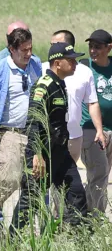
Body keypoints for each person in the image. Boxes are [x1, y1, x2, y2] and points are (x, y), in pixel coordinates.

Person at [10, 43, 87, 235]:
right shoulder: (44, 85)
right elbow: (33, 121)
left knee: (77, 192)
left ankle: (81, 238)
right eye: (71, 60)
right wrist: (36, 153)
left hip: (60, 153)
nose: (75, 63)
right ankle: (13, 240)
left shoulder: (60, 84)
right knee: (31, 200)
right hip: (42, 154)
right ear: (57, 63)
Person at [0, 28, 42, 226]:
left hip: (33, 132)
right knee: (10, 180)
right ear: (11, 49)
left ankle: (21, 225)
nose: (28, 53)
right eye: (24, 50)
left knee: (33, 181)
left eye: (30, 48)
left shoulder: (36, 65)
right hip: (10, 133)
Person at [42, 30, 105, 163]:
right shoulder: (41, 69)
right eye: (51, 44)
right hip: (48, 136)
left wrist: (99, 130)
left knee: (69, 178)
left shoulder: (84, 72)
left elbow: (92, 103)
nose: (52, 48)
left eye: (56, 44)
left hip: (74, 136)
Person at [80, 29, 112, 216]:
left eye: (98, 47)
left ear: (109, 48)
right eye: (91, 46)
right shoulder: (84, 68)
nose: (93, 50)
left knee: (100, 176)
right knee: (99, 174)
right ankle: (96, 220)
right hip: (91, 130)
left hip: (111, 129)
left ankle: (83, 215)